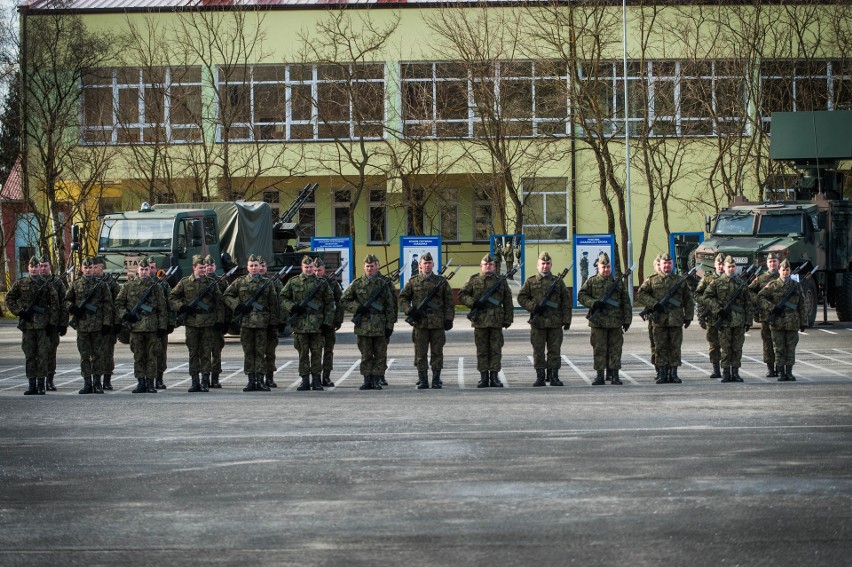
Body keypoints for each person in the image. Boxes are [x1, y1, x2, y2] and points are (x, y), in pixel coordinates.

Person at [224, 254, 280, 392]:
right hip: (246, 323)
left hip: (262, 324)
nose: (254, 268)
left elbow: (274, 304)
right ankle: (251, 380)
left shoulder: (267, 283)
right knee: (248, 352)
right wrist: (238, 306)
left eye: (256, 265)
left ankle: (260, 380)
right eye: (251, 266)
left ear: (259, 267)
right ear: (247, 267)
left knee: (260, 352)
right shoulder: (240, 282)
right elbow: (226, 295)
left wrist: (274, 323)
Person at [636, 252, 694, 384]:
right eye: (664, 263)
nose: (667, 265)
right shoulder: (652, 280)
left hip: (676, 319)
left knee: (675, 347)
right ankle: (662, 373)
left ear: (672, 264)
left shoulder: (679, 280)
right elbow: (641, 294)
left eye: (669, 263)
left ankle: (673, 373)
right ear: (660, 265)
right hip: (659, 320)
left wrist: (689, 316)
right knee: (660, 347)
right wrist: (654, 304)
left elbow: (688, 300)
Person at [399, 251, 455, 389]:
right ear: (420, 265)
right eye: (425, 263)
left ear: (433, 264)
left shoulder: (441, 282)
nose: (427, 266)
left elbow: (449, 301)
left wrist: (449, 319)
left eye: (429, 263)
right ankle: (423, 379)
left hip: (437, 323)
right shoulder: (413, 281)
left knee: (437, 352)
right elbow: (403, 298)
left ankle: (436, 379)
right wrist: (409, 310)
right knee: (420, 352)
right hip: (420, 323)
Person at [170, 254, 225, 392]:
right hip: (192, 323)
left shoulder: (211, 283)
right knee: (193, 353)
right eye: (201, 267)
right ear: (194, 267)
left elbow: (219, 303)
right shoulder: (184, 282)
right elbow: (172, 297)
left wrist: (219, 321)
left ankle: (205, 381)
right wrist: (182, 307)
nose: (203, 270)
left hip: (207, 323)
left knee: (206, 352)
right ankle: (195, 381)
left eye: (205, 267)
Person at [341, 254, 397, 390]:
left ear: (376, 266)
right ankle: (367, 379)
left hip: (380, 325)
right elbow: (344, 300)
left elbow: (390, 306)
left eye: (372, 266)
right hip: (364, 325)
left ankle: (377, 379)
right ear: (364, 267)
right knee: (365, 354)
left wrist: (390, 325)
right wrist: (357, 308)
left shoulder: (383, 284)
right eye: (367, 266)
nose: (370, 269)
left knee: (380, 354)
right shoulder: (357, 283)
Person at [6, 256, 61, 395]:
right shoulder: (21, 283)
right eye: (32, 267)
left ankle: (41, 384)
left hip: (43, 326)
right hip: (28, 326)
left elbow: (55, 304)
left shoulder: (47, 284)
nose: (34, 269)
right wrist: (19, 312)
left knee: (42, 355)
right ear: (28, 268)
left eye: (36, 267)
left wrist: (52, 323)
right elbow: (9, 298)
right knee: (30, 355)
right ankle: (31, 384)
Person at [280, 256, 335, 391]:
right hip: (300, 325)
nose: (309, 269)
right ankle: (304, 380)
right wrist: (292, 307)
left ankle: (316, 380)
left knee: (317, 353)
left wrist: (327, 322)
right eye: (307, 267)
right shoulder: (293, 282)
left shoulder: (322, 283)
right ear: (302, 267)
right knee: (303, 354)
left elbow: (329, 303)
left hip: (317, 325)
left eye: (311, 267)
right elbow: (282, 297)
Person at [517, 251, 573, 387]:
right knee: (538, 351)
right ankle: (540, 376)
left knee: (555, 351)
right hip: (538, 323)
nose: (545, 266)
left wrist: (567, 320)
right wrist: (533, 307)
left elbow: (566, 301)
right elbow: (521, 297)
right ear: (537, 265)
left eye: (548, 264)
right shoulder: (531, 281)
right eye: (542, 263)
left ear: (551, 265)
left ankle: (554, 376)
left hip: (555, 322)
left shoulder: (558, 282)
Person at [459, 254, 513, 388]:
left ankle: (494, 377)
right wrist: (474, 303)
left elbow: (508, 301)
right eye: (485, 264)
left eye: (491, 264)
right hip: (480, 320)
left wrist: (508, 319)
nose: (488, 266)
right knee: (482, 350)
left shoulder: (501, 280)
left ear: (494, 266)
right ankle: (483, 377)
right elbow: (462, 295)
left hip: (496, 320)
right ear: (481, 266)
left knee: (496, 349)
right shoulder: (474, 280)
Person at [577, 252, 632, 385]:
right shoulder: (591, 281)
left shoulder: (617, 283)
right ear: (598, 267)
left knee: (615, 349)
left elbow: (626, 302)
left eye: (608, 267)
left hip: (615, 322)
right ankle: (600, 375)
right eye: (603, 267)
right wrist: (594, 303)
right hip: (598, 322)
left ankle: (614, 375)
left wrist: (627, 320)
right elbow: (581, 296)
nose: (606, 269)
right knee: (599, 349)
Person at [115, 258, 168, 394]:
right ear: (137, 271)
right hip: (136, 327)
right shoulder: (128, 286)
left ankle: (151, 382)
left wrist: (162, 327)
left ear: (150, 270)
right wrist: (126, 315)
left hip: (152, 327)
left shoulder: (156, 286)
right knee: (138, 356)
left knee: (152, 356)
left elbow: (162, 307)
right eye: (141, 270)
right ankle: (140, 382)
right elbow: (118, 304)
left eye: (146, 269)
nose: (144, 272)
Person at [65, 257, 115, 394]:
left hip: (98, 326)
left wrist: (106, 323)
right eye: (85, 268)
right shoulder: (75, 285)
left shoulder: (102, 285)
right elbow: (66, 300)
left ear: (94, 268)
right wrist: (73, 307)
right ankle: (87, 383)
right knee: (84, 356)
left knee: (99, 355)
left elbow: (108, 305)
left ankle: (97, 383)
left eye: (90, 268)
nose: (87, 270)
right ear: (81, 269)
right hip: (82, 326)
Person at [758, 259, 808, 381]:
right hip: (777, 322)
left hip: (792, 322)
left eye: (787, 270)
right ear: (779, 271)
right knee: (778, 348)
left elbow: (802, 304)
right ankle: (780, 372)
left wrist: (803, 321)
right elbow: (760, 297)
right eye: (783, 270)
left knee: (791, 348)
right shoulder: (773, 285)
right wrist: (772, 308)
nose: (785, 272)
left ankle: (789, 372)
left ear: (790, 271)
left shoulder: (796, 286)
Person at [705, 256, 753, 383]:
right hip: (724, 321)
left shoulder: (741, 283)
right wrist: (717, 309)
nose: (731, 269)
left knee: (737, 348)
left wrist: (748, 320)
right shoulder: (716, 282)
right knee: (725, 348)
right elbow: (706, 297)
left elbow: (748, 303)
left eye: (733, 267)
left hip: (738, 320)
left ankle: (735, 372)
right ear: (724, 267)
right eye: (728, 267)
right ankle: (726, 372)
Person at [38, 257, 68, 391]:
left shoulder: (57, 283)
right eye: (41, 266)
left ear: (50, 267)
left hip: (53, 325)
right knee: (37, 354)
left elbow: (64, 304)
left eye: (45, 266)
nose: (43, 268)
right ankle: (38, 381)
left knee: (51, 353)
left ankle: (49, 381)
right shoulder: (32, 282)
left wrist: (63, 324)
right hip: (36, 325)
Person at [314, 258, 345, 388]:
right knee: (315, 351)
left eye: (319, 270)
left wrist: (338, 319)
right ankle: (315, 377)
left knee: (328, 350)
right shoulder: (310, 283)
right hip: (314, 324)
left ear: (324, 270)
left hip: (329, 323)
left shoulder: (332, 283)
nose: (316, 273)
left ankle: (326, 376)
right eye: (315, 270)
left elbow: (340, 302)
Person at [749, 252, 780, 377]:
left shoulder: (784, 276)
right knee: (767, 343)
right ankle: (770, 368)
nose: (772, 264)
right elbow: (749, 290)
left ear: (778, 263)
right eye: (770, 262)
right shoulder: (761, 278)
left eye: (774, 262)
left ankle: (780, 367)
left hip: (782, 316)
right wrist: (759, 301)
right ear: (767, 264)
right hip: (766, 316)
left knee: (780, 343)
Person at [695, 253, 725, 378]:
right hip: (712, 317)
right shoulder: (707, 279)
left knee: (728, 345)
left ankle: (728, 369)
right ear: (715, 265)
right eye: (719, 264)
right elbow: (697, 295)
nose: (721, 267)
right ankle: (716, 369)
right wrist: (708, 306)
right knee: (714, 345)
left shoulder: (732, 279)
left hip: (727, 318)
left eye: (723, 264)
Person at [147, 257, 175, 390]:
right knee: (144, 353)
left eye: (152, 267)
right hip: (143, 326)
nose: (150, 270)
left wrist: (170, 323)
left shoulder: (163, 284)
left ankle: (159, 378)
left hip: (160, 325)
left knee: (161, 353)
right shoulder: (135, 284)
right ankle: (146, 380)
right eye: (148, 268)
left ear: (156, 269)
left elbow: (170, 303)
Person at [94, 256, 121, 390]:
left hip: (108, 325)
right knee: (93, 353)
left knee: (107, 353)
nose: (93, 270)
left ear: (102, 268)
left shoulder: (111, 283)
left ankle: (107, 379)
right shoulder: (86, 282)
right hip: (91, 325)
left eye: (96, 267)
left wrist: (116, 323)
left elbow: (118, 303)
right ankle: (94, 380)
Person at [258, 257, 284, 389]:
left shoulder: (275, 282)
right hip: (257, 324)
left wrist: (280, 321)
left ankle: (269, 377)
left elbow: (281, 303)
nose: (261, 268)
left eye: (263, 266)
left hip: (271, 324)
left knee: (270, 352)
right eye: (259, 266)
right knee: (257, 352)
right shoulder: (248, 282)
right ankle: (258, 378)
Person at [205, 255, 229, 388]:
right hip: (203, 322)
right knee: (204, 352)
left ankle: (215, 378)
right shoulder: (201, 281)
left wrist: (225, 322)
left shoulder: (221, 282)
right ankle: (205, 377)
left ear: (215, 267)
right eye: (207, 266)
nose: (209, 268)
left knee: (216, 352)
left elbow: (225, 303)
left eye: (211, 265)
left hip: (216, 323)